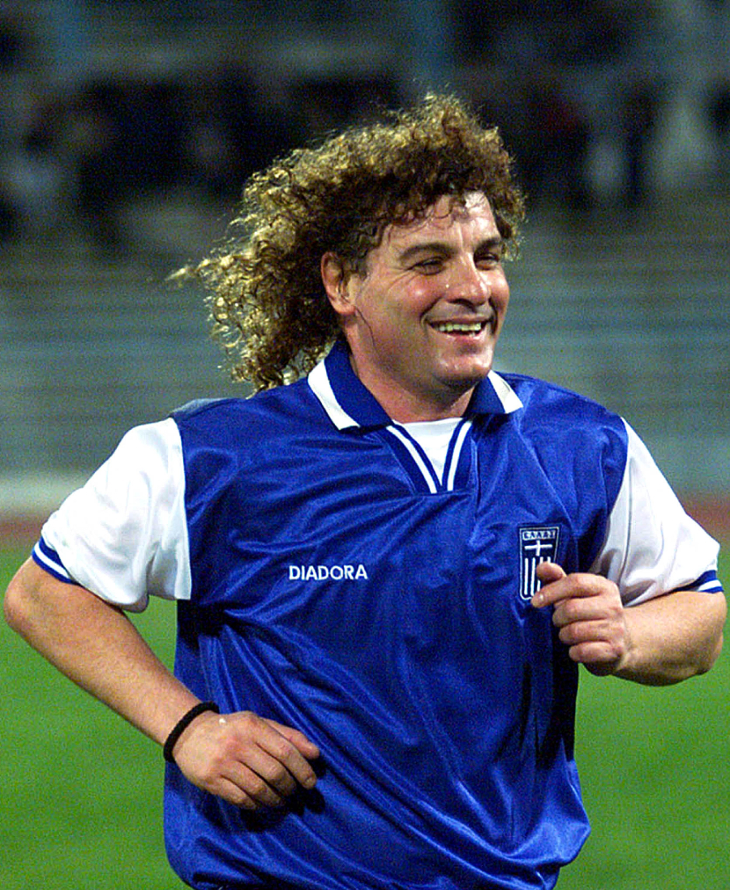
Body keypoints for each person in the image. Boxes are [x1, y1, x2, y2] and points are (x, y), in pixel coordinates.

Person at [3, 94, 726, 890]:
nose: (473, 288)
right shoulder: (213, 458)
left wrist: (629, 635)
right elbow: (44, 592)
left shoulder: (582, 445)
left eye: (487, 256)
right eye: (428, 263)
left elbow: (699, 614)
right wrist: (188, 728)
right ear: (342, 282)